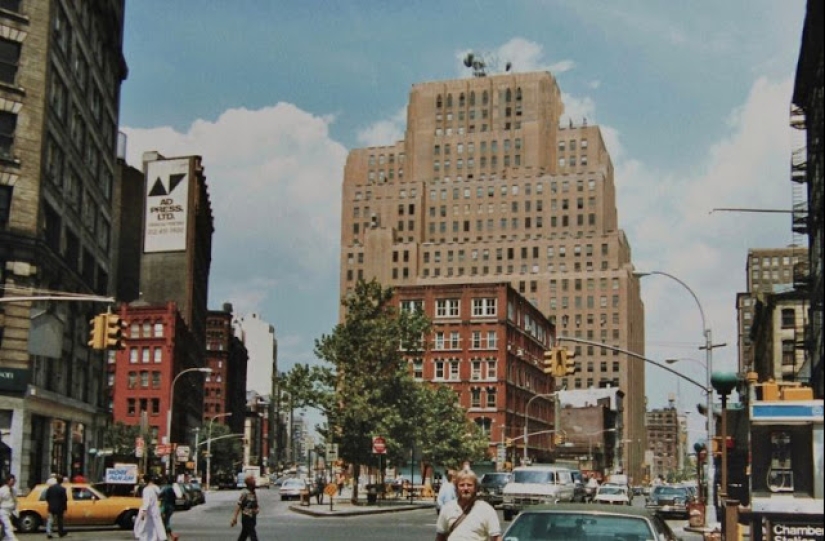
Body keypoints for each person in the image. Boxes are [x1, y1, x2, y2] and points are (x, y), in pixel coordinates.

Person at [435, 469, 501, 541]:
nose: (465, 488)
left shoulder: (486, 510)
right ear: (456, 488)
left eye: (469, 485)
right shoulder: (447, 508)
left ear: (475, 488)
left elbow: (496, 538)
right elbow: (440, 537)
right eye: (462, 485)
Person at [133, 473, 167, 541]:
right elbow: (159, 494)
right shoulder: (155, 488)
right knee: (156, 525)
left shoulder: (146, 490)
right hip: (155, 510)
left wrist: (144, 511)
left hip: (148, 511)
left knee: (144, 525)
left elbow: (146, 501)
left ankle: (145, 538)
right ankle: (161, 537)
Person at [230, 475, 259, 541]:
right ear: (249, 485)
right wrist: (234, 518)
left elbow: (256, 505)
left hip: (252, 518)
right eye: (253, 483)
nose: (255, 485)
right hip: (246, 518)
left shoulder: (253, 494)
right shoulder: (244, 494)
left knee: (243, 536)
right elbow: (239, 505)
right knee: (253, 536)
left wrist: (257, 509)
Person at [44, 474, 68, 539]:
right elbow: (64, 500)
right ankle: (60, 532)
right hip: (59, 507)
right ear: (62, 481)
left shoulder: (50, 488)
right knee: (60, 521)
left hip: (51, 506)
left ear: (56, 480)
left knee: (50, 520)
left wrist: (50, 503)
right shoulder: (63, 489)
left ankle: (49, 532)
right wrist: (65, 508)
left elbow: (46, 497)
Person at [159, 477, 178, 541]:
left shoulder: (165, 488)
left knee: (164, 522)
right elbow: (175, 498)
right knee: (166, 521)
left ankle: (170, 536)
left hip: (165, 506)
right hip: (171, 507)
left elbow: (160, 495)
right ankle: (168, 536)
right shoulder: (172, 489)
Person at [0, 476, 18, 541]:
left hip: (11, 511)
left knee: (4, 529)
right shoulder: (2, 490)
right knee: (8, 527)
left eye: (14, 481)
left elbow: (15, 500)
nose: (13, 482)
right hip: (3, 511)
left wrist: (16, 508)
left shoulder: (14, 490)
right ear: (8, 481)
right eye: (12, 481)